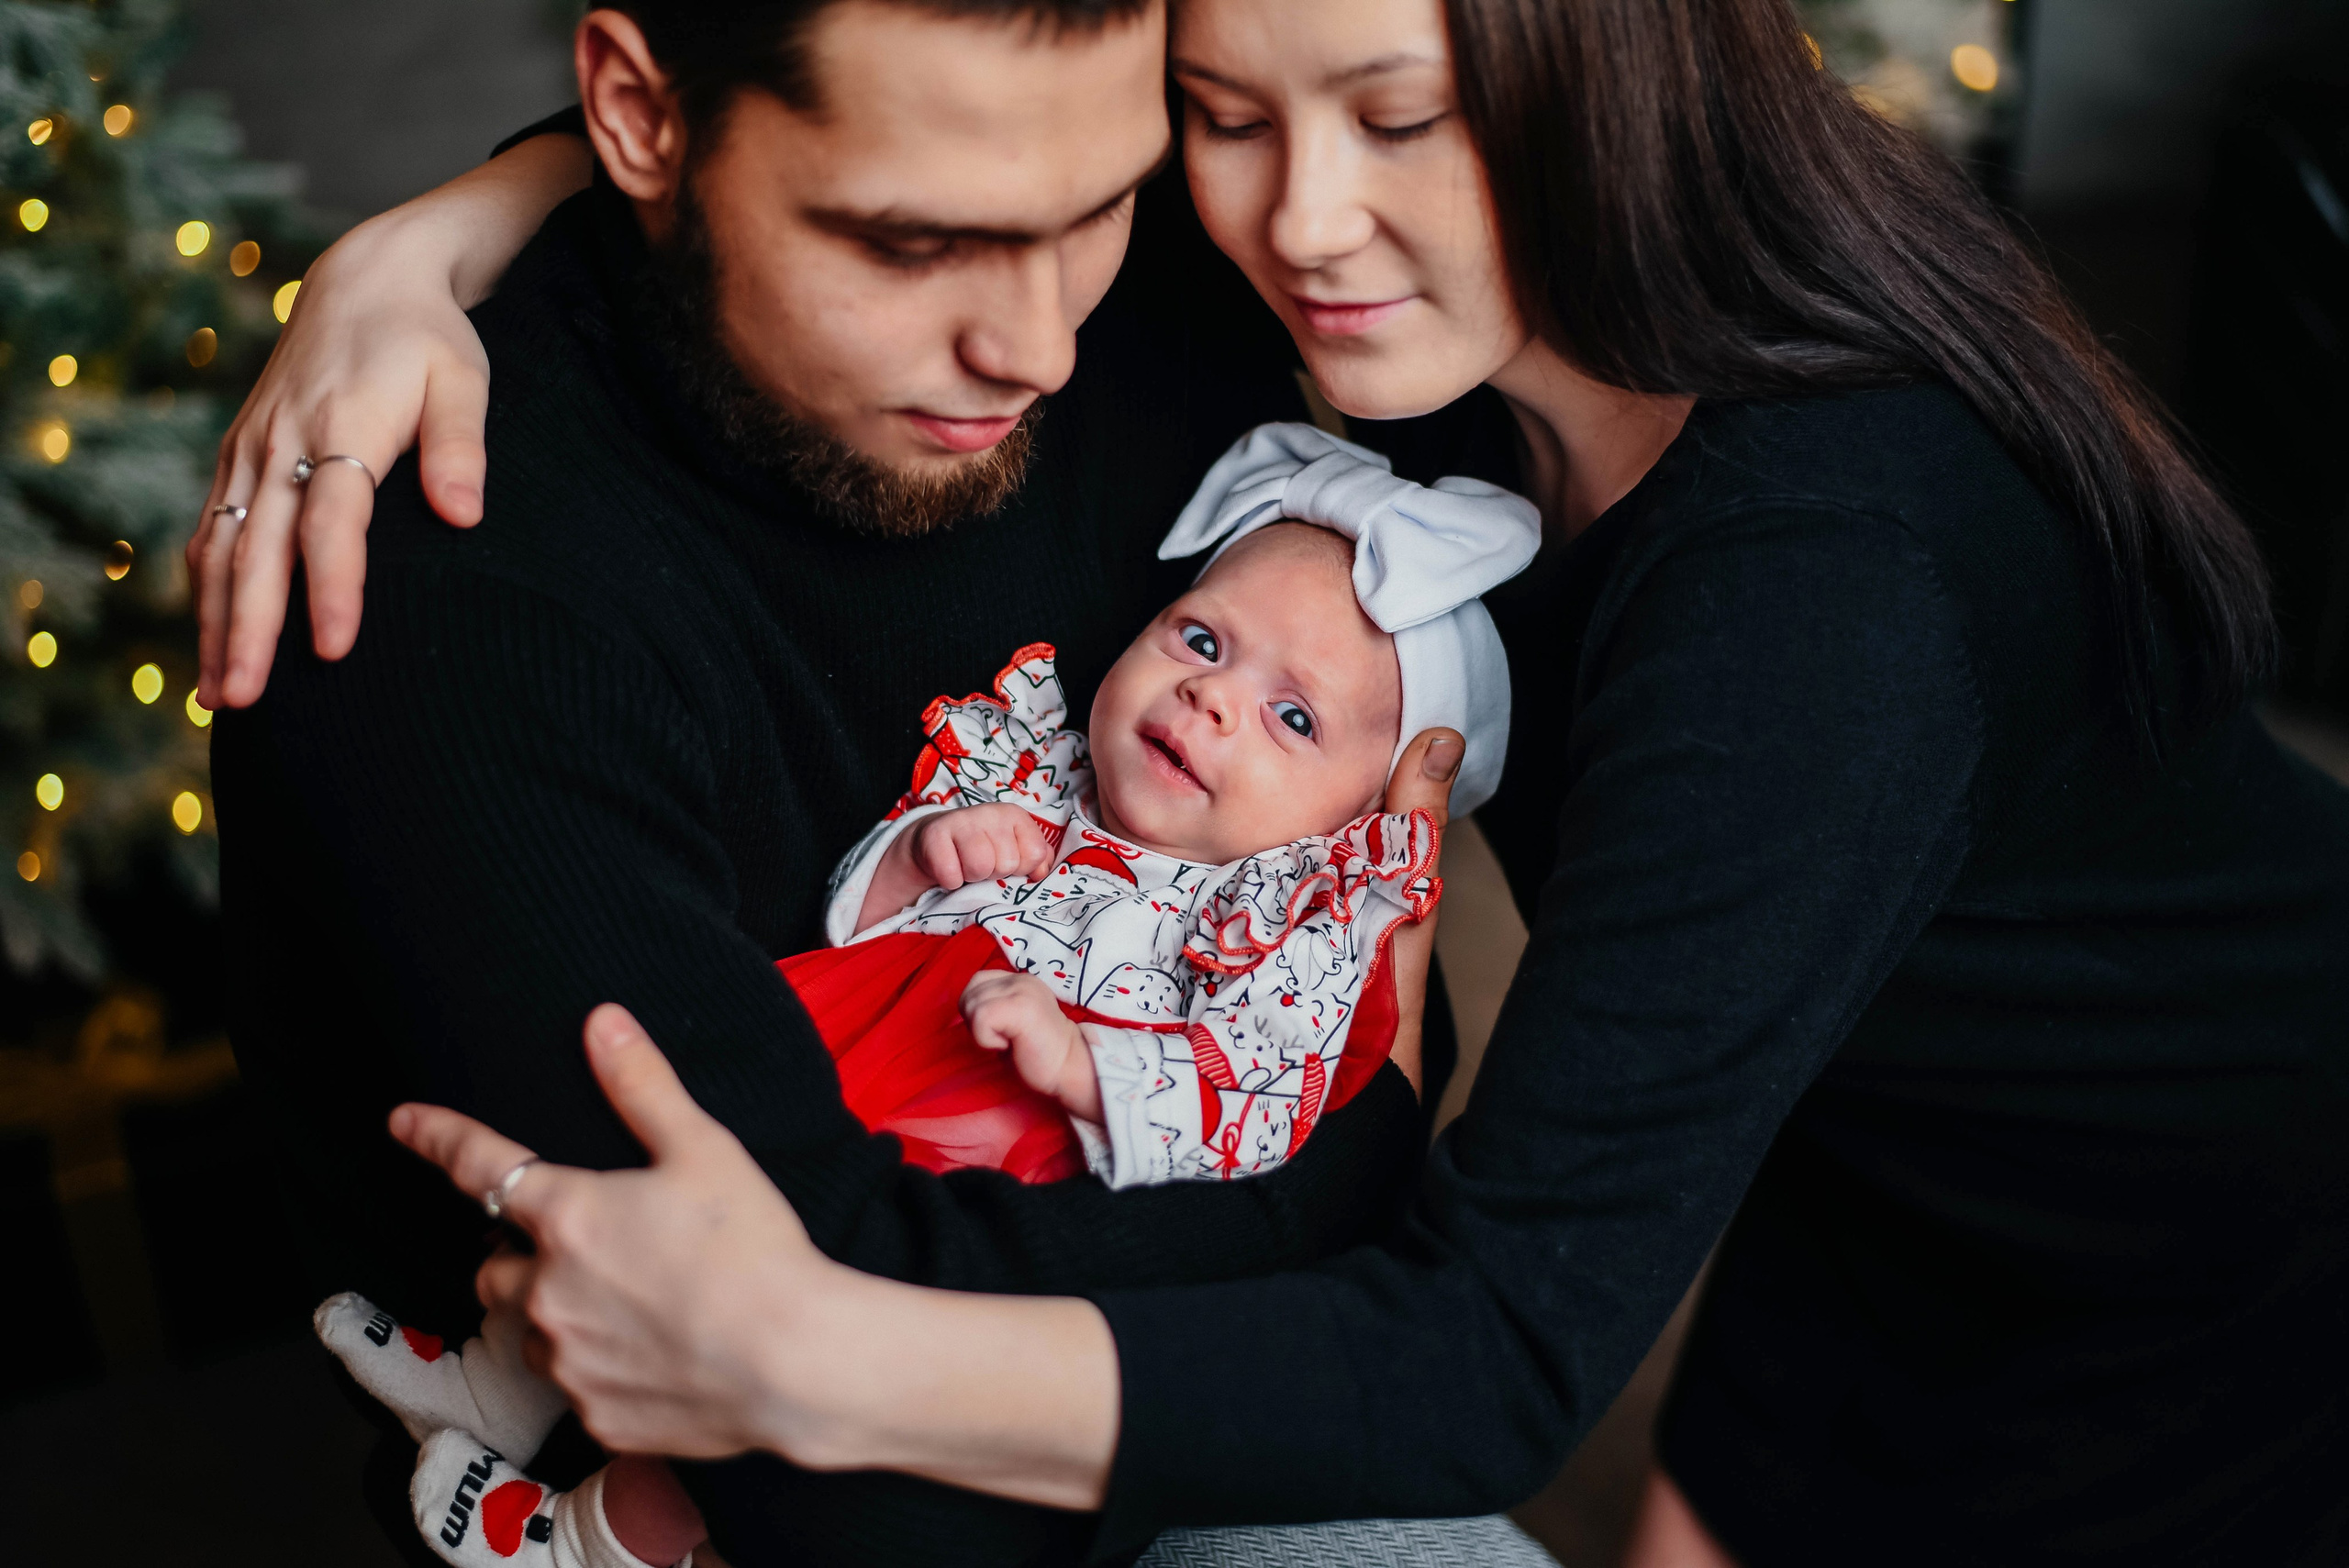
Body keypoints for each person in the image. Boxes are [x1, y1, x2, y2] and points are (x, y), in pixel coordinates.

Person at [209, 1, 2349, 1566]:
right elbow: (898, 80)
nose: (1301, 219)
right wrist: (443, 234)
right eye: (1217, 118)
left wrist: (807, 1358)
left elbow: (1487, 1351)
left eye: (1396, 116)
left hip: (2220, 1245)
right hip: (1828, 1149)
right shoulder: (1383, 351)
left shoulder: (1818, 595)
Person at [206, 5, 1499, 1567]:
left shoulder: (1162, 290)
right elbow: (862, 1490)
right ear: (635, 114)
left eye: (1098, 205)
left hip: (1177, 1399)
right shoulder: (451, 603)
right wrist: (1358, 1124)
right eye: (911, 243)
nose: (1038, 346)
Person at [312, 459, 1538, 1568]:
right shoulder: (1041, 774)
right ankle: (495, 1381)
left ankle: (584, 1542)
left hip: (998, 1167)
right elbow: (859, 918)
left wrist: (1088, 1061)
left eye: (1294, 717)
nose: (1212, 701)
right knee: (653, 1178)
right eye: (1201, 640)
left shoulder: (1282, 934)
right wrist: (929, 854)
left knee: (766, 1360)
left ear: (1359, 828)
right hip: (845, 1052)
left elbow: (1253, 1103)